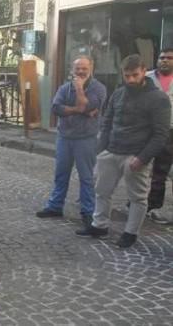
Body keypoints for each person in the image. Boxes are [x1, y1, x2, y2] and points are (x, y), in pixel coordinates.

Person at [77, 54, 171, 248]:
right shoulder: (119, 93)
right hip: (111, 151)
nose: (130, 80)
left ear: (144, 71)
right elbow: (107, 121)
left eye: (135, 75)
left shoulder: (159, 98)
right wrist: (101, 150)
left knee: (137, 197)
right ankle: (99, 226)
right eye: (126, 75)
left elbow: (161, 134)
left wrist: (143, 158)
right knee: (102, 191)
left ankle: (130, 233)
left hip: (136, 155)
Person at [36, 56, 107, 229]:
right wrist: (79, 109)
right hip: (64, 137)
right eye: (77, 69)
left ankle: (88, 212)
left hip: (86, 138)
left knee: (86, 177)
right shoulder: (64, 88)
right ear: (72, 69)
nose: (80, 72)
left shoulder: (99, 88)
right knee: (61, 174)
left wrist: (80, 90)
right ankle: (55, 206)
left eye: (84, 68)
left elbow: (89, 106)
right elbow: (56, 108)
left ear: (91, 69)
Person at [147, 48, 173, 224]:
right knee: (141, 166)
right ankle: (140, 202)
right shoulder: (147, 77)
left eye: (170, 58)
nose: (165, 60)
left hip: (170, 130)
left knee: (161, 170)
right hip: (148, 129)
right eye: (162, 58)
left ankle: (154, 205)